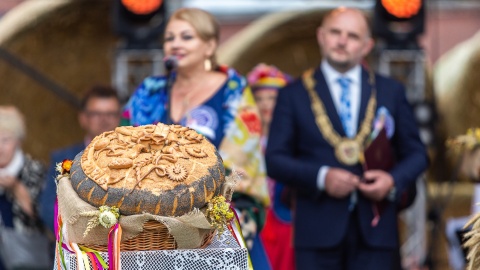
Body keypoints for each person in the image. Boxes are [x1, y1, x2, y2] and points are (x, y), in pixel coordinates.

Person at [265, 7, 429, 270]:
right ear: (321, 36)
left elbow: (418, 154)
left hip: (377, 231)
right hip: (316, 232)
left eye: (352, 36)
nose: (342, 41)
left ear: (367, 46)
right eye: (335, 32)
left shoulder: (391, 91)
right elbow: (274, 160)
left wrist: (392, 180)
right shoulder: (293, 94)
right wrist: (322, 177)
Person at [121, 7, 270, 269]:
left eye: (186, 37)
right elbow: (123, 146)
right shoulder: (150, 91)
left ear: (210, 45)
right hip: (152, 221)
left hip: (217, 215)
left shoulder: (233, 90)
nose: (175, 44)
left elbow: (241, 164)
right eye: (170, 38)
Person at [39, 85, 121, 234]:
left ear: (119, 118)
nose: (104, 119)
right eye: (96, 114)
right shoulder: (63, 159)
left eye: (111, 113)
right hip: (73, 246)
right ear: (83, 118)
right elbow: (48, 209)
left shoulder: (131, 160)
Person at [247, 63, 296, 270]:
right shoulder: (245, 139)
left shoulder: (295, 138)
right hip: (255, 217)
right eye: (260, 99)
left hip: (286, 218)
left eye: (272, 99)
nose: (266, 104)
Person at [0, 106, 48, 269]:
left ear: (18, 141)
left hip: (27, 258)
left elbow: (44, 216)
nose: (0, 148)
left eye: (5, 140)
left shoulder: (35, 170)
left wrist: (17, 189)